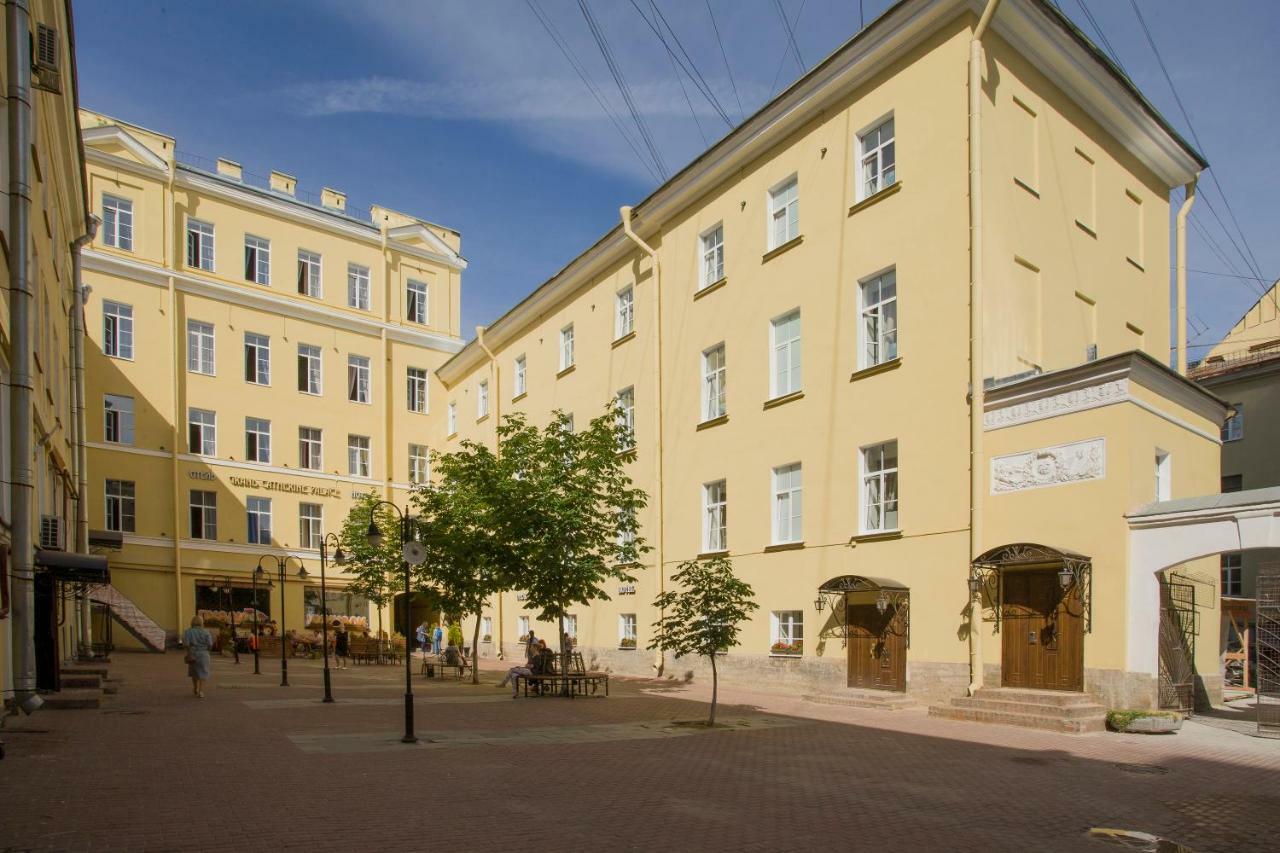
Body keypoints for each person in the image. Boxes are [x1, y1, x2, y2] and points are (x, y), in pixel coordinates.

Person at [183, 615, 214, 698]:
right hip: (204, 654)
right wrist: (207, 649)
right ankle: (201, 691)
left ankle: (195, 688)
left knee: (194, 672)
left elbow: (186, 644)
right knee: (203, 672)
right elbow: (210, 644)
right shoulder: (206, 632)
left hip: (193, 653)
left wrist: (189, 651)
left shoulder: (188, 631)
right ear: (201, 622)